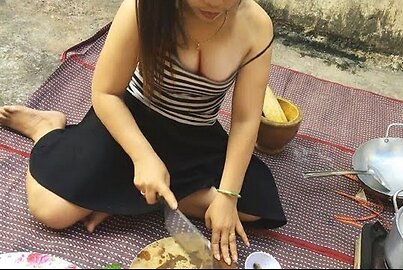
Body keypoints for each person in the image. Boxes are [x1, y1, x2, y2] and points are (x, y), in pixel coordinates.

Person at [0, 0, 286, 265]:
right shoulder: (145, 6)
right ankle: (46, 129)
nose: (213, 4)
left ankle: (126, 197)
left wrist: (228, 196)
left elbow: (246, 120)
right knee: (50, 210)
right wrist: (143, 158)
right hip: (130, 121)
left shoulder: (256, 26)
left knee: (254, 205)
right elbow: (106, 93)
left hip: (195, 134)